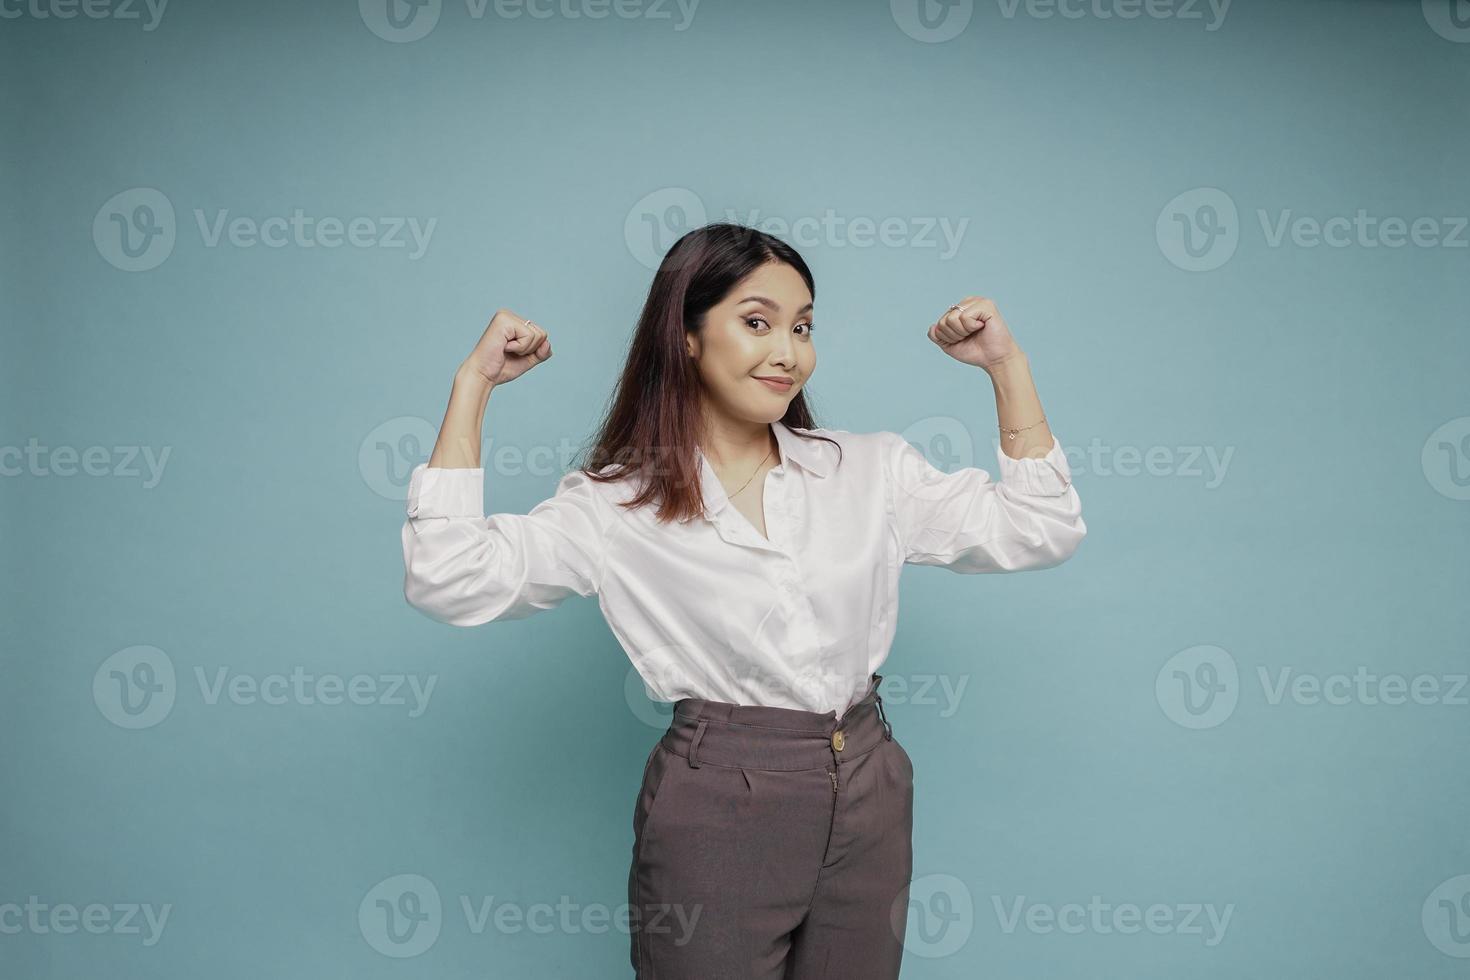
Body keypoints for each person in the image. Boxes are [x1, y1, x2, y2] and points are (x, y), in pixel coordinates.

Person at [399, 222, 1086, 978]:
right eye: (756, 322)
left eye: (803, 326)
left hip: (870, 785)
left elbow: (1040, 527)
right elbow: (449, 578)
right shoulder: (616, 504)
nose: (788, 351)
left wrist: (1005, 366)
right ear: (687, 336)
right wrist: (473, 388)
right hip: (720, 802)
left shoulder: (869, 470)